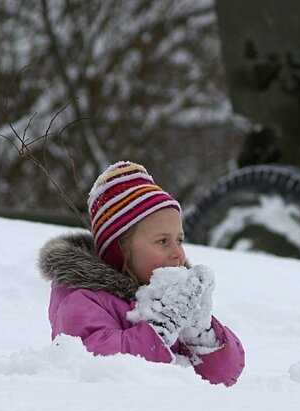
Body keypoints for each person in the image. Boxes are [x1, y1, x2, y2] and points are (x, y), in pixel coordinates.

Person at [38, 161, 245, 386]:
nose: (178, 253)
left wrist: (201, 331)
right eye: (163, 241)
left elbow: (223, 376)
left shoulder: (170, 299)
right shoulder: (82, 300)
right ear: (120, 251)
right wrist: (158, 331)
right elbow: (93, 361)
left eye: (179, 240)